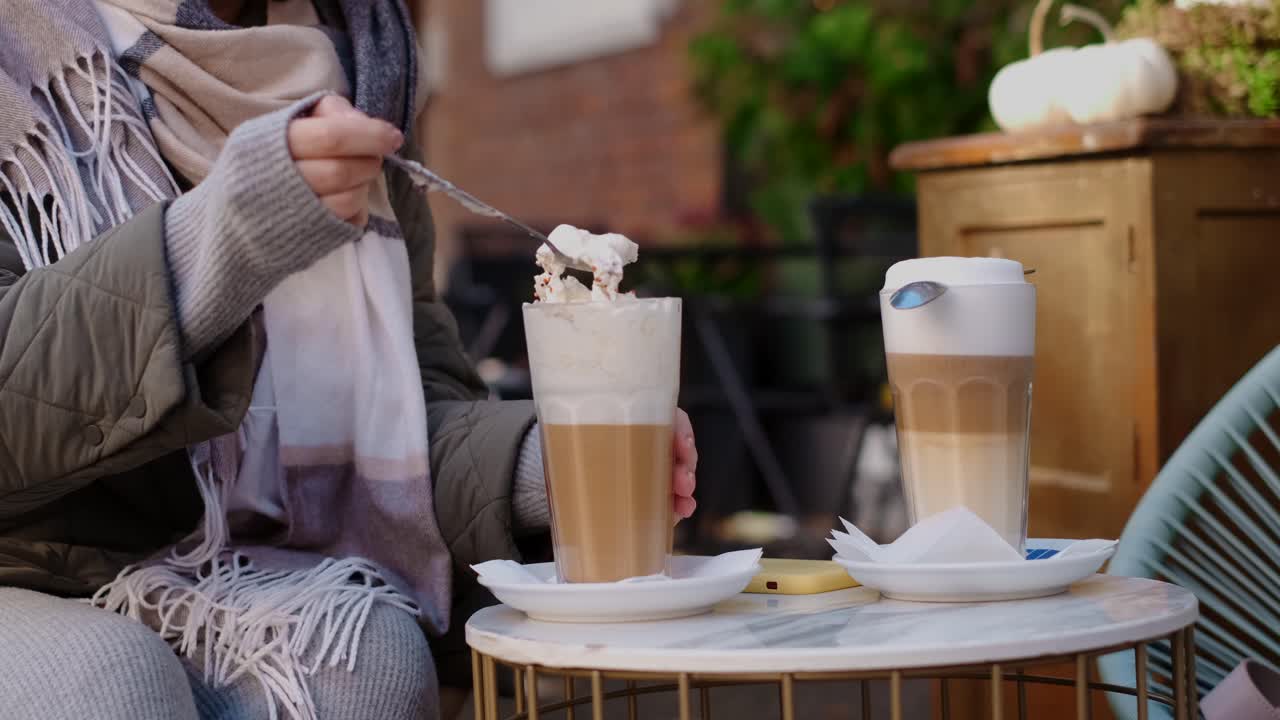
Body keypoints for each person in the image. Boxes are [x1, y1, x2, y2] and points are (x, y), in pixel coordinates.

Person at [0, 2, 699, 719]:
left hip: (239, 570)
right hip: (24, 561)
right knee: (108, 682)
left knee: (371, 660)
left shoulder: (363, 66)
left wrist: (544, 465)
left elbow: (401, 407)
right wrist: (214, 246)